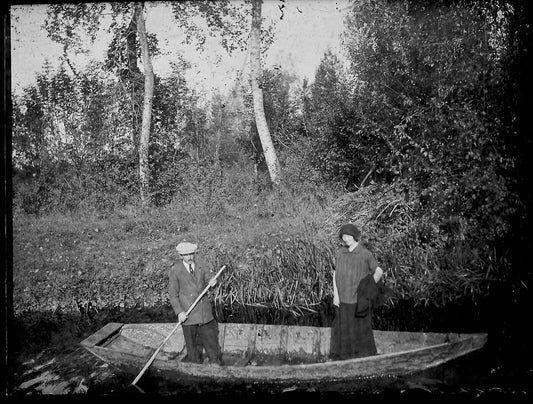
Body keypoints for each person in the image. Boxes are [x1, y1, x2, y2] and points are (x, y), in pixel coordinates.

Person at [330, 223, 387, 360]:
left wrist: (367, 288)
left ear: (355, 237)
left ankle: (362, 358)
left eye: (349, 236)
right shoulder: (340, 253)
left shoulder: (365, 254)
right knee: (343, 330)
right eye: (344, 236)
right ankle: (344, 358)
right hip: (343, 299)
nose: (346, 239)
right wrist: (336, 295)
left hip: (358, 300)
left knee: (360, 330)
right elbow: (335, 274)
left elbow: (378, 271)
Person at [168, 241, 222, 365]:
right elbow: (173, 295)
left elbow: (210, 281)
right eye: (186, 255)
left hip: (204, 313)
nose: (190, 257)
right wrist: (179, 312)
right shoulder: (175, 271)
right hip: (188, 314)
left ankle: (216, 365)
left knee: (212, 345)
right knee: (191, 348)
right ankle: (194, 369)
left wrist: (213, 283)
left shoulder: (201, 266)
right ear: (181, 256)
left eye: (192, 254)